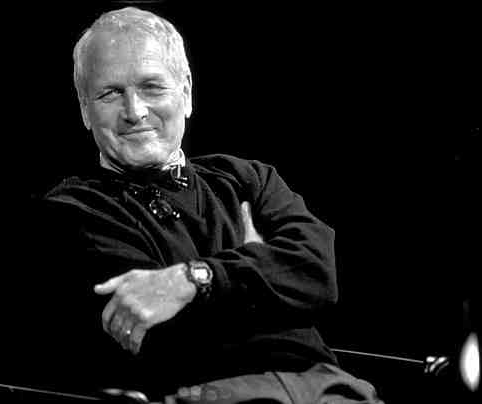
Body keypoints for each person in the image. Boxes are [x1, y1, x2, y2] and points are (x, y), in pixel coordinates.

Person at [37, 6, 384, 404]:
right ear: (85, 109)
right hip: (213, 396)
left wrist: (191, 279)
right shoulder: (72, 210)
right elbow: (162, 335)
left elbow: (318, 273)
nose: (135, 111)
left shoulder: (249, 178)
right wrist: (264, 267)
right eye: (110, 93)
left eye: (152, 87)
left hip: (328, 388)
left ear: (186, 93)